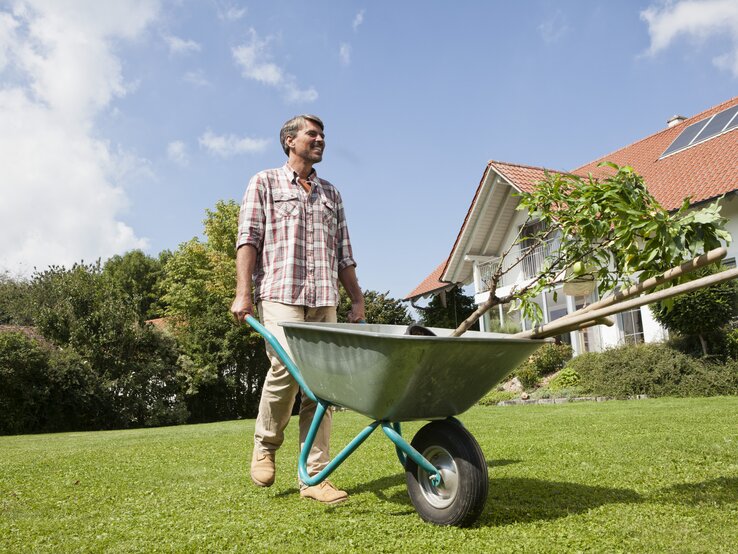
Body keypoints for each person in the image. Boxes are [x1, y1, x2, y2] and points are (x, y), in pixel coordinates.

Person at [230, 114, 365, 505]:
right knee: (287, 368)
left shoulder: (332, 194)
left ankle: (315, 475)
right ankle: (266, 445)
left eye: (322, 134)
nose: (320, 139)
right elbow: (248, 239)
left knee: (324, 385)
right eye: (312, 133)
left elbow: (344, 252)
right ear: (290, 141)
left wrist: (355, 298)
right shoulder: (264, 182)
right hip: (281, 293)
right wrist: (243, 293)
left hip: (325, 298)